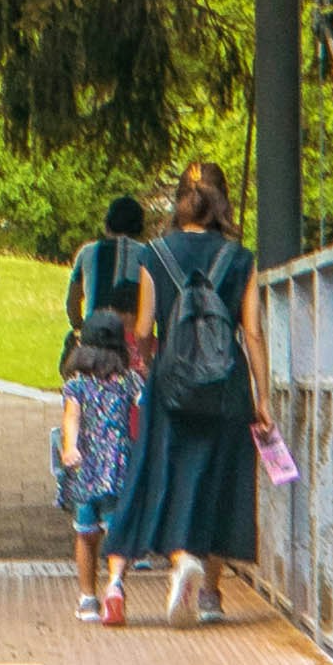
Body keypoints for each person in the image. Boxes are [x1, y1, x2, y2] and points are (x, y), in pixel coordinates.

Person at [101, 158, 273, 629]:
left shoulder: (154, 253)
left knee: (157, 472)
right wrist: (263, 397)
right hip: (226, 386)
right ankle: (209, 591)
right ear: (222, 202)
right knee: (217, 479)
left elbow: (142, 327)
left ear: (181, 200)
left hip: (171, 386)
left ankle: (140, 574)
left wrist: (150, 358)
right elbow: (253, 333)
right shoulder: (241, 258)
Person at [52, 298, 137, 619]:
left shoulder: (76, 385)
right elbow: (145, 403)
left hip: (85, 469)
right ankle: (115, 583)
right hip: (119, 467)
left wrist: (70, 448)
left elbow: (71, 418)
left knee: (86, 534)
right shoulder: (127, 381)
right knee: (116, 532)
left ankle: (88, 597)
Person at [63, 190, 148, 348]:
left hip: (93, 338)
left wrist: (79, 328)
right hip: (131, 341)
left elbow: (72, 303)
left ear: (107, 223)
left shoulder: (87, 252)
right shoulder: (147, 255)